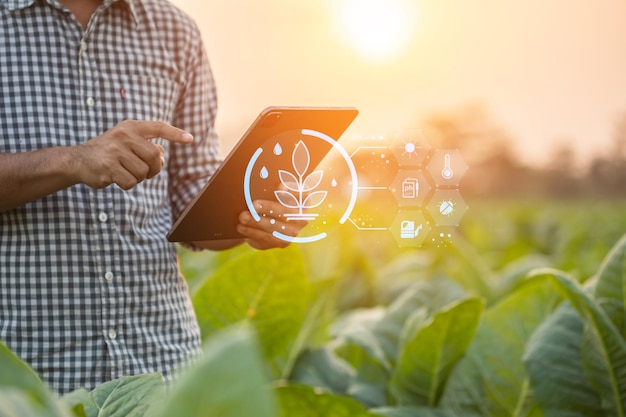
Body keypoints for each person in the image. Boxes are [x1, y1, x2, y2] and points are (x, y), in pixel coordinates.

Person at [0, 0, 304, 394]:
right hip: (28, 376)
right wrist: (75, 160)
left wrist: (249, 218)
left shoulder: (176, 32)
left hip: (162, 365)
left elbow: (192, 195)